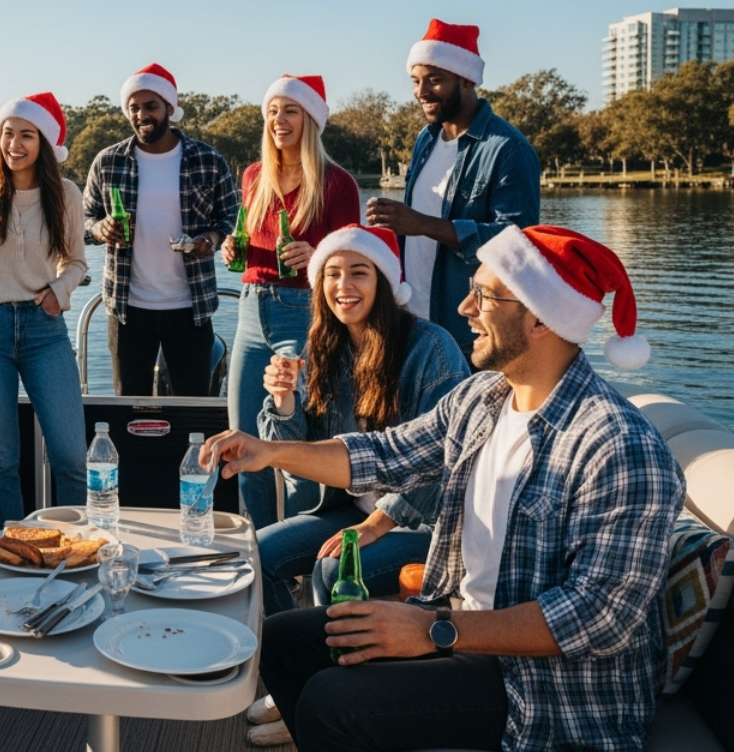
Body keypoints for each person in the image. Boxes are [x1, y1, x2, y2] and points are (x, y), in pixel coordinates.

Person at [206, 224, 681, 752]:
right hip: (460, 627)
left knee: (332, 701)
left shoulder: (618, 446)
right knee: (284, 643)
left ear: (542, 318)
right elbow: (384, 454)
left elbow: (598, 617)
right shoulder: (483, 399)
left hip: (545, 690)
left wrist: (434, 629)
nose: (464, 308)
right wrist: (268, 449)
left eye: (484, 295)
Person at [244, 225, 466, 746]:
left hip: (424, 519)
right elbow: (302, 459)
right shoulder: (324, 346)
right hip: (346, 509)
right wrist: (282, 402)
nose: (344, 285)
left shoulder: (430, 348)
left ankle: (332, 697)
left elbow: (447, 461)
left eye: (358, 273)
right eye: (332, 274)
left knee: (332, 568)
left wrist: (377, 521)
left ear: (385, 283)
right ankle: (298, 679)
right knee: (259, 556)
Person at [220, 75, 359, 528]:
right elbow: (250, 245)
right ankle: (262, 558)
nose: (279, 120)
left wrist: (318, 256)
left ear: (310, 120)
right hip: (248, 311)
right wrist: (229, 249)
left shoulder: (338, 184)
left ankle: (301, 562)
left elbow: (356, 265)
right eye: (273, 111)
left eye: (291, 111)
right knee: (244, 443)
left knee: (298, 448)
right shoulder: (253, 177)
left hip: (304, 314)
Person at [0, 92, 88, 525]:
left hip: (43, 328)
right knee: (1, 460)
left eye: (26, 135)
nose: (14, 144)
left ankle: (74, 546)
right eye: (8, 134)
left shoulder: (65, 194)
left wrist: (57, 292)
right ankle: (15, 552)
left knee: (70, 455)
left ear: (43, 143)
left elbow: (77, 263)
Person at [365, 19, 540, 361]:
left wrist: (422, 224)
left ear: (467, 79)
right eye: (416, 81)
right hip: (408, 319)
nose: (421, 91)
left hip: (464, 328)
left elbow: (517, 242)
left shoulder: (507, 148)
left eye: (435, 80)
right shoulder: (426, 139)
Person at [83, 63, 238, 396]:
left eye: (150, 106)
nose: (141, 115)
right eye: (134, 108)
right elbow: (82, 222)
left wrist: (208, 241)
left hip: (190, 308)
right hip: (128, 310)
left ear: (170, 108)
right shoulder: (108, 161)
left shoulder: (208, 159)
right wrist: (100, 229)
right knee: (129, 410)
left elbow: (230, 216)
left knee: (192, 411)